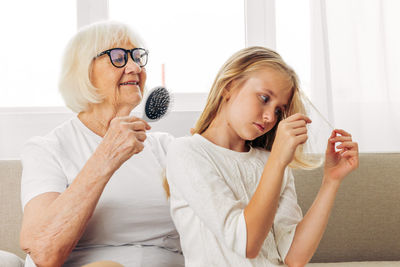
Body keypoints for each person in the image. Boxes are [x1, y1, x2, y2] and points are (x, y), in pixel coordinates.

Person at [166, 46, 359, 266]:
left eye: (279, 110)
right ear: (229, 87)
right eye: (264, 98)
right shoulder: (186, 152)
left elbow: (294, 257)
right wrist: (277, 160)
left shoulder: (270, 162)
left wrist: (330, 181)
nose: (269, 117)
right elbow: (247, 244)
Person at [19, 21, 183, 267]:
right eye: (118, 57)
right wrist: (107, 155)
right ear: (82, 72)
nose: (134, 66)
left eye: (137, 56)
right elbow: (43, 251)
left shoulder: (164, 147)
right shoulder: (48, 149)